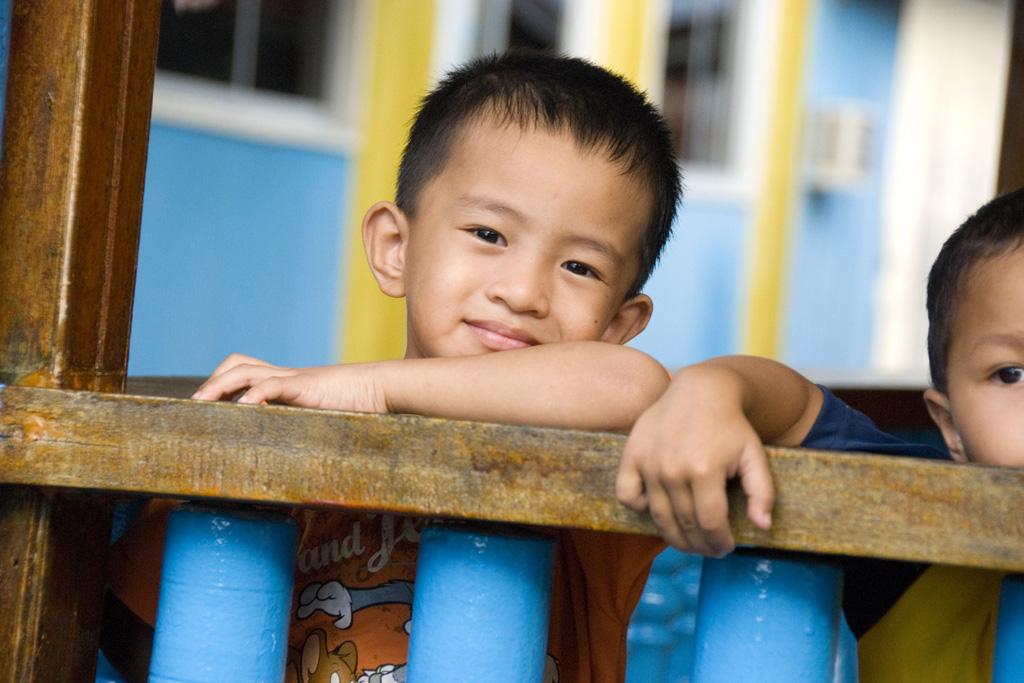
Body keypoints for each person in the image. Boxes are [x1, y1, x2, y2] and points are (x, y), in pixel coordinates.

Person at [104, 49, 682, 683]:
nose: (522, 291)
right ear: (395, 248)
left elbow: (635, 386)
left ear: (619, 326)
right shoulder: (289, 439)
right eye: (489, 234)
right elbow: (136, 635)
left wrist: (376, 385)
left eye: (580, 267)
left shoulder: (596, 474)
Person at [618, 186, 1024, 681]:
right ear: (950, 426)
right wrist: (711, 389)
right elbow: (800, 416)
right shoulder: (917, 533)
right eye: (1011, 374)